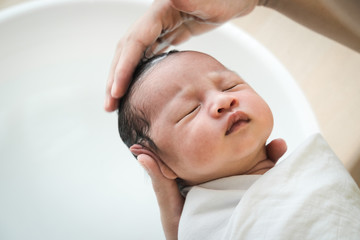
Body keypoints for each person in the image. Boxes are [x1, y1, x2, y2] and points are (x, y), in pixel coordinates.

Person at [105, 0, 360, 239]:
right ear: (161, 163)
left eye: (229, 86)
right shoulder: (205, 227)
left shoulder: (302, 174)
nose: (223, 101)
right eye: (189, 110)